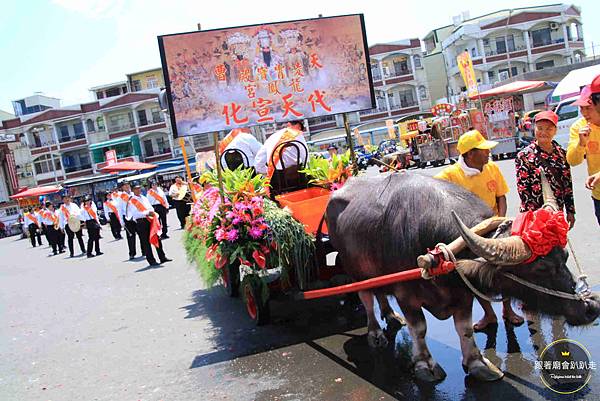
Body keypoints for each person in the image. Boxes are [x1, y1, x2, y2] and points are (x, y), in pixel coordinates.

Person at [435, 130, 523, 330]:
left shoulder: (491, 168)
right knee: (477, 275)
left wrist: (500, 221)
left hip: (496, 229)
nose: (488, 153)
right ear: (469, 154)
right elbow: (431, 188)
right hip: (470, 235)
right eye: (483, 150)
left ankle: (507, 310)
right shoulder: (450, 175)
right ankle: (488, 314)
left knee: (506, 270)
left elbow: (501, 196)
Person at [515, 110, 575, 228]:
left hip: (556, 212)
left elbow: (567, 185)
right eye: (540, 128)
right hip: (534, 216)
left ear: (555, 130)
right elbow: (523, 190)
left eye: (549, 129)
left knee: (557, 244)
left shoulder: (562, 154)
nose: (544, 132)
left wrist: (570, 211)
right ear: (534, 128)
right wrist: (535, 217)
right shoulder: (524, 156)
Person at [567, 77, 600, 226]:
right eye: (581, 108)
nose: (584, 113)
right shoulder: (578, 127)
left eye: (588, 107)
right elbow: (573, 161)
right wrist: (581, 143)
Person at [127, 185, 172, 267]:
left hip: (150, 220)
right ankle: (151, 260)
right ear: (133, 190)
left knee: (157, 238)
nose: (138, 190)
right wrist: (147, 213)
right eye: (136, 189)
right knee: (146, 242)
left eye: (139, 188)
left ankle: (162, 257)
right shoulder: (132, 201)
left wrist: (152, 212)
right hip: (141, 222)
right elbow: (135, 214)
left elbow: (150, 207)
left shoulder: (144, 197)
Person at [117, 182, 142, 259]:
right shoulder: (121, 196)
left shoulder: (133, 193)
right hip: (128, 217)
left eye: (128, 184)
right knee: (131, 236)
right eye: (125, 185)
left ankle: (144, 250)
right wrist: (121, 221)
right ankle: (132, 253)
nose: (127, 186)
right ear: (122, 187)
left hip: (137, 216)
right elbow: (120, 209)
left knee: (141, 234)